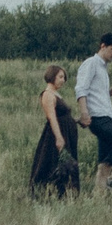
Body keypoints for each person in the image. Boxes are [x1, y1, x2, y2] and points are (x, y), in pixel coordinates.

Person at [75, 33, 112, 192]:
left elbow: (93, 92)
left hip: (105, 115)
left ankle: (98, 202)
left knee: (105, 164)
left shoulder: (103, 67)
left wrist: (108, 93)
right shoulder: (91, 63)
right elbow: (81, 89)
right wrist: (84, 113)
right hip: (99, 118)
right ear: (103, 46)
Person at [28, 63, 80, 198]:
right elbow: (52, 117)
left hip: (66, 133)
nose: (63, 80)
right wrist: (59, 137)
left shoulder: (56, 94)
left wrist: (77, 121)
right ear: (52, 77)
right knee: (52, 163)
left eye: (64, 77)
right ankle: (46, 193)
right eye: (61, 77)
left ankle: (65, 193)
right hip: (56, 135)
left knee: (66, 163)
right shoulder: (47, 95)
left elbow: (64, 116)